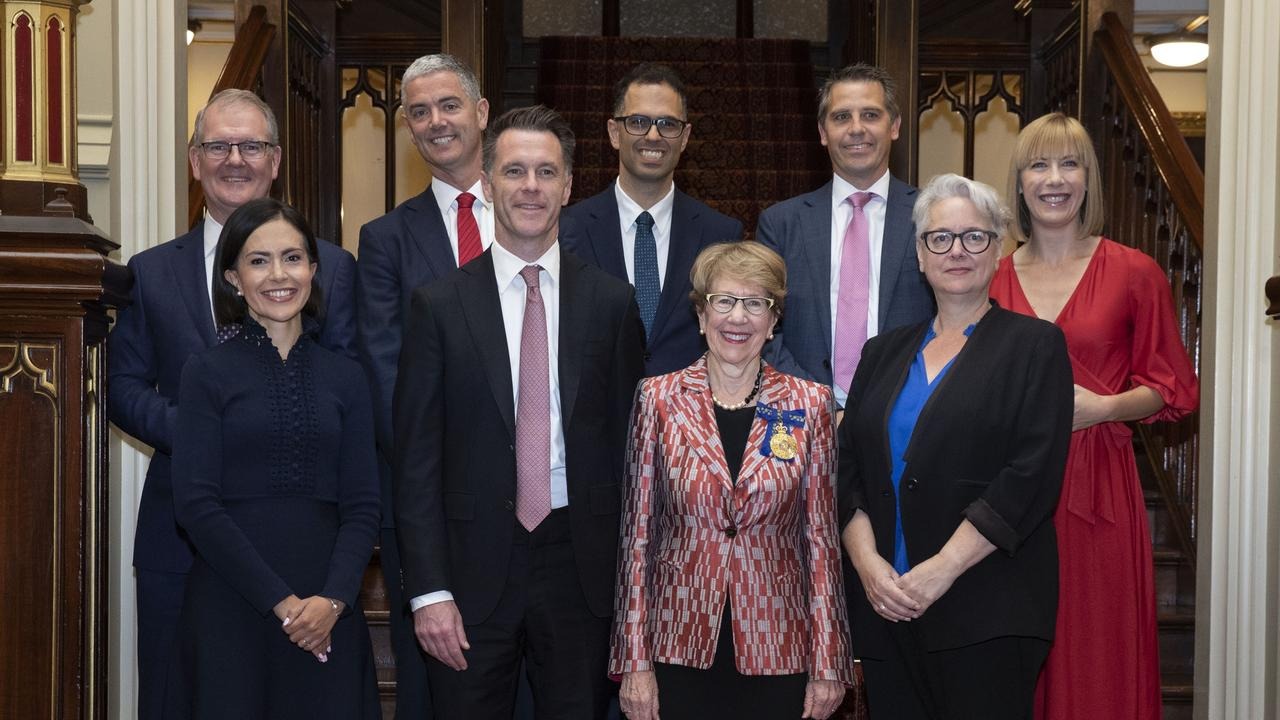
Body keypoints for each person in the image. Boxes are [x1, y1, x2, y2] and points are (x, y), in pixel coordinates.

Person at [107, 88, 357, 719]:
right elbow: (123, 386)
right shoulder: (151, 271)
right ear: (195, 161)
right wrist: (204, 431)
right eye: (218, 146)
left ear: (276, 160)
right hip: (181, 538)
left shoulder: (332, 267)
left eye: (251, 145)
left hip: (304, 545)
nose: (235, 159)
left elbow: (349, 384)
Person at [393, 105, 645, 719]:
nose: (530, 187)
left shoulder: (612, 303)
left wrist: (634, 591)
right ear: (487, 182)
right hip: (470, 568)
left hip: (581, 569)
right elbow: (416, 462)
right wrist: (429, 591)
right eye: (514, 171)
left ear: (568, 185)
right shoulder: (438, 306)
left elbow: (632, 454)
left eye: (545, 172)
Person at [988, 113, 1199, 720]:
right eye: (1039, 165)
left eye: (1069, 164)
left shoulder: (1135, 272)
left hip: (1098, 484)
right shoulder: (991, 277)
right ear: (1020, 182)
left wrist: (1105, 407)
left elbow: (1171, 388)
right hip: (1008, 485)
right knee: (1014, 651)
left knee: (1097, 650)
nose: (1054, 179)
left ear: (1089, 179)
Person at [839, 173, 1073, 719]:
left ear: (997, 250)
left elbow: (1030, 477)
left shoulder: (1036, 346)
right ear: (920, 256)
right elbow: (846, 470)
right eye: (940, 238)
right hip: (885, 606)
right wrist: (869, 566)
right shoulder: (881, 352)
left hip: (987, 608)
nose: (957, 251)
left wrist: (942, 569)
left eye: (975, 236)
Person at [611, 241, 853, 720]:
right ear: (701, 315)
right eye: (723, 301)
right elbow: (636, 541)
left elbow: (822, 542)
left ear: (773, 319)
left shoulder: (810, 404)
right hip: (676, 642)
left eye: (755, 303)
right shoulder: (657, 400)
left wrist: (829, 662)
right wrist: (633, 661)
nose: (737, 317)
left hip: (779, 644)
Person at [170, 197, 379, 718]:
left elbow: (363, 506)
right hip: (232, 608)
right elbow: (196, 505)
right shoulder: (205, 373)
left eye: (292, 258)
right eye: (258, 261)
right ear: (234, 279)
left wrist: (332, 602)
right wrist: (284, 606)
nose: (278, 275)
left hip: (330, 611)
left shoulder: (347, 377)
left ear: (313, 269)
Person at [355, 52, 492, 717]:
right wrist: (438, 462)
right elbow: (385, 370)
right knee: (433, 689)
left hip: (536, 497)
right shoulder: (385, 239)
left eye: (449, 105)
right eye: (419, 111)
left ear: (481, 113)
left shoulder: (542, 216)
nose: (436, 121)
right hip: (428, 496)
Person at [756, 63, 934, 408]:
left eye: (870, 115)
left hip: (907, 411)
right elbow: (763, 328)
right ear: (823, 132)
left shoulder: (931, 217)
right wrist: (819, 403)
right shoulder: (780, 223)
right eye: (841, 117)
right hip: (804, 412)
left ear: (894, 126)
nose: (856, 129)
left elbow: (951, 320)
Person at [561, 62, 743, 376]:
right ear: (614, 133)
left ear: (684, 137)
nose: (653, 135)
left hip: (689, 404)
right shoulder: (567, 230)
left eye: (668, 124)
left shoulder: (721, 235)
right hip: (599, 404)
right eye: (638, 122)